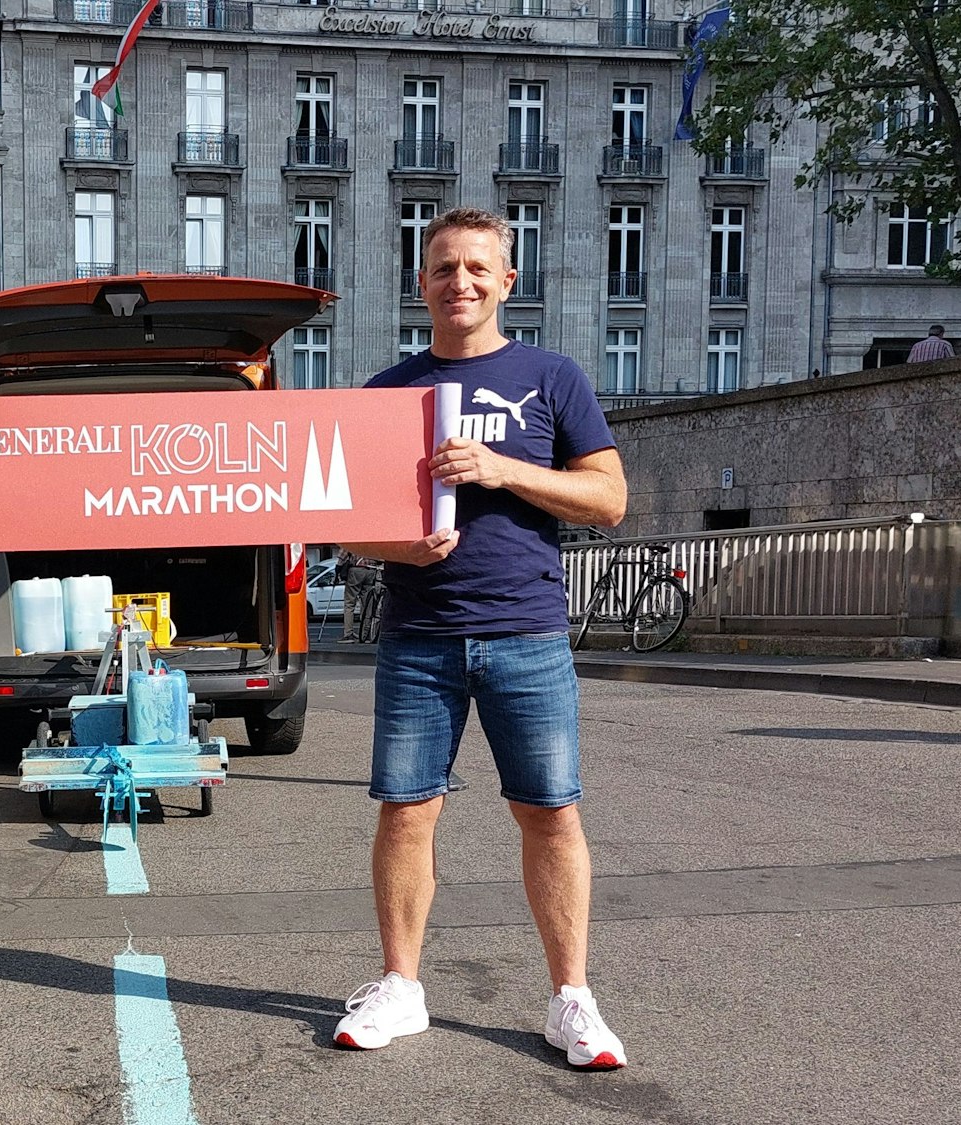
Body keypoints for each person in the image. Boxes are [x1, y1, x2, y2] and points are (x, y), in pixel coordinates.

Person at [333, 207, 631, 1069]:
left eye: (475, 267)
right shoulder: (388, 391)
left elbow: (609, 500)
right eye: (442, 267)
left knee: (549, 812)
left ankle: (572, 1000)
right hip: (419, 633)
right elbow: (350, 526)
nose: (458, 280)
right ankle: (401, 986)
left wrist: (502, 469)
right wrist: (404, 546)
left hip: (527, 631)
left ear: (507, 281)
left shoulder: (552, 376)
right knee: (405, 811)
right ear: (420, 284)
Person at [338, 548, 381, 643]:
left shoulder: (355, 535)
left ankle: (348, 634)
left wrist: (338, 567)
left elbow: (344, 552)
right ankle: (365, 634)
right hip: (371, 570)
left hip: (356, 569)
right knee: (367, 603)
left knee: (349, 603)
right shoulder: (373, 536)